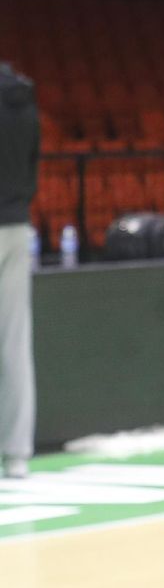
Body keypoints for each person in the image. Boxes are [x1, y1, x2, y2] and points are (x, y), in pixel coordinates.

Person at [0, 62, 39, 479]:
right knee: (13, 340)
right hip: (15, 224)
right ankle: (17, 455)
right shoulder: (23, 94)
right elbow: (33, 164)